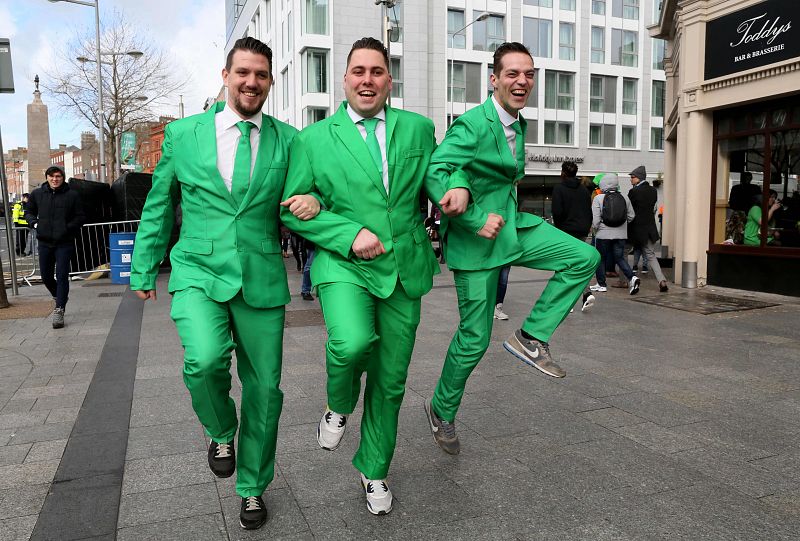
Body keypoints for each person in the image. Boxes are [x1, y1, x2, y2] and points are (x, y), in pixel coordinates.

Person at [129, 37, 318, 531]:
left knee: (265, 390)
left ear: (270, 81)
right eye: (243, 73)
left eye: (261, 75)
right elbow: (159, 201)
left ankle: (253, 487)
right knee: (204, 359)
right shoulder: (183, 134)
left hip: (261, 276)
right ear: (226, 75)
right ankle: (220, 429)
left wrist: (313, 202)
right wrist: (143, 265)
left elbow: (303, 194)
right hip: (197, 269)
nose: (252, 82)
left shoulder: (289, 139)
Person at [280, 37, 455, 516]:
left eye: (376, 71)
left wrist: (455, 188)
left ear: (388, 80)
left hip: (403, 267)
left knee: (390, 381)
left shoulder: (418, 128)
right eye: (358, 71)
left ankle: (374, 470)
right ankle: (338, 404)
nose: (367, 80)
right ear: (344, 79)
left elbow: (438, 175)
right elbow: (292, 209)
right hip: (344, 264)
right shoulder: (312, 139)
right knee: (351, 342)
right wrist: (345, 229)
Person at [423, 42, 600, 456]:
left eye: (529, 74)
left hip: (512, 226)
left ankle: (531, 337)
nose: (522, 81)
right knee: (474, 339)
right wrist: (472, 215)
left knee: (584, 257)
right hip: (476, 240)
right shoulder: (472, 125)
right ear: (494, 79)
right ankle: (440, 410)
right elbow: (437, 170)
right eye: (512, 74)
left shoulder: (518, 124)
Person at [25, 166, 85, 329]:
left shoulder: (72, 195)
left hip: (64, 242)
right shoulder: (37, 194)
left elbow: (80, 217)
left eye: (58, 176)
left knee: (62, 275)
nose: (55, 179)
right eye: (51, 176)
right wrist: (34, 223)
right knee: (46, 276)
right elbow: (28, 211)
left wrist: (67, 228)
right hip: (44, 242)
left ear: (62, 178)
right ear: (47, 177)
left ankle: (59, 309)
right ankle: (59, 297)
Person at [552, 161, 595, 311]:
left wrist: (559, 230)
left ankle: (566, 302)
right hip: (582, 231)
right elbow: (589, 211)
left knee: (564, 265)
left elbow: (557, 212)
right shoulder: (583, 190)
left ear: (563, 173)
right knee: (577, 264)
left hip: (566, 231)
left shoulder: (559, 189)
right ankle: (586, 293)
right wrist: (586, 227)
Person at [589, 175, 639, 294]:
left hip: (603, 234)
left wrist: (595, 229)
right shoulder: (625, 198)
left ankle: (601, 284)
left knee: (600, 258)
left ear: (603, 184)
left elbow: (596, 221)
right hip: (620, 235)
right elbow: (631, 216)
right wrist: (621, 225)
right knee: (619, 258)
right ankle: (632, 277)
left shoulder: (598, 198)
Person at [628, 166, 669, 292]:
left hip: (636, 229)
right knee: (651, 255)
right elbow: (653, 208)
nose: (631, 179)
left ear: (639, 178)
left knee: (623, 252)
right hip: (650, 228)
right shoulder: (653, 191)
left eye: (633, 177)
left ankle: (625, 280)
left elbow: (630, 211)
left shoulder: (633, 192)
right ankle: (661, 280)